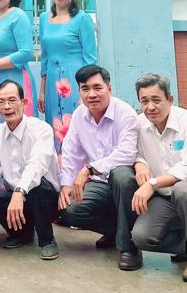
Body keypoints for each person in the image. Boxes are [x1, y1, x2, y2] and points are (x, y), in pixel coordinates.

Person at [124, 72, 187, 283]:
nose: (150, 107)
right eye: (144, 101)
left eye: (156, 100)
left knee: (183, 190)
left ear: (169, 100)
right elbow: (133, 151)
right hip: (166, 197)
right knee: (142, 237)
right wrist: (140, 163)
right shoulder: (139, 124)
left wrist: (152, 184)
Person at [57, 64, 139, 269]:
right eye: (85, 89)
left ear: (109, 89)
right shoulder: (79, 115)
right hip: (99, 183)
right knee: (68, 209)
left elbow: (127, 154)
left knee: (121, 175)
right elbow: (71, 152)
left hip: (126, 183)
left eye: (97, 87)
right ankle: (115, 231)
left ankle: (129, 248)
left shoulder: (125, 114)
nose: (91, 94)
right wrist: (66, 185)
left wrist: (89, 169)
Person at [0, 80, 61, 260]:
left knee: (38, 186)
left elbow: (37, 164)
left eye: (12, 100)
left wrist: (19, 191)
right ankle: (22, 234)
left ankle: (47, 240)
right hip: (17, 199)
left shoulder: (41, 129)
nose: (7, 106)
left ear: (24, 103)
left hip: (46, 198)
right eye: (1, 102)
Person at [38, 0, 97, 152]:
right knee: (55, 126)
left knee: (76, 125)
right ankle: (59, 165)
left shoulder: (82, 19)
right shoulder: (44, 18)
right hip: (52, 83)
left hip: (74, 81)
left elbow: (90, 58)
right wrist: (42, 91)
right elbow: (45, 56)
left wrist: (86, 91)